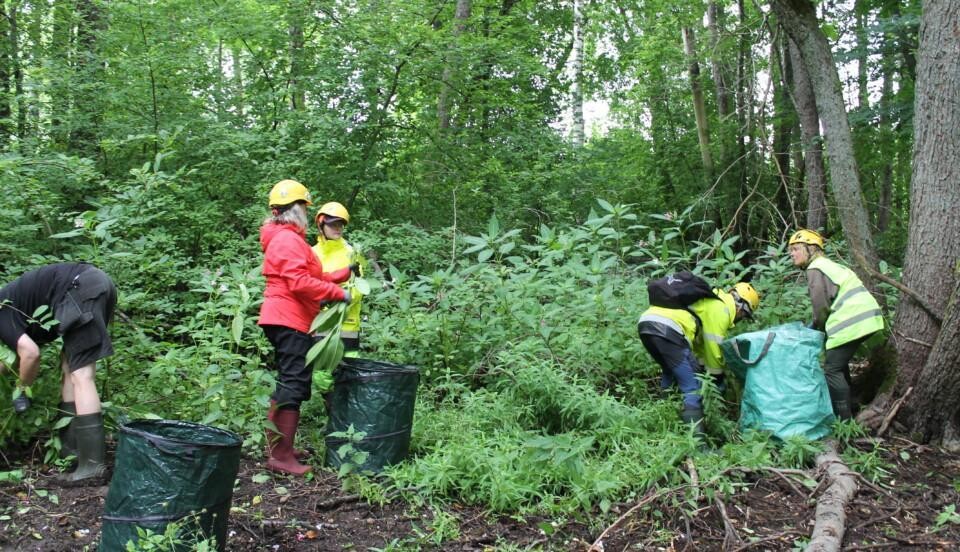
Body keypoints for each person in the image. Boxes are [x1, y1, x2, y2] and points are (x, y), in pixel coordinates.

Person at [258, 179, 353, 476]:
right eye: (303, 207)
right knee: (293, 384)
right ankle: (281, 457)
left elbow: (311, 274)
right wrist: (340, 294)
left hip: (290, 318)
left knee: (289, 382)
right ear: (293, 209)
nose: (306, 213)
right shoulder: (287, 240)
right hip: (288, 319)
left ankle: (279, 449)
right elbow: (299, 283)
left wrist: (343, 275)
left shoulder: (288, 239)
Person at [0, 262, 116, 486]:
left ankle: (92, 467)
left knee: (82, 375)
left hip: (80, 289)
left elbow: (30, 354)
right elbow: (10, 360)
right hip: (95, 284)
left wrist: (21, 389)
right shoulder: (10, 305)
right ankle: (71, 455)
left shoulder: (2, 312)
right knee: (69, 366)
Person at [637, 281, 760, 439]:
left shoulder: (711, 300)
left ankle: (663, 424)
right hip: (669, 329)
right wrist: (717, 380)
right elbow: (714, 353)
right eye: (744, 315)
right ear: (740, 306)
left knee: (670, 372)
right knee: (692, 388)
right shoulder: (721, 310)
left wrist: (699, 369)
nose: (741, 318)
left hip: (646, 323)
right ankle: (699, 445)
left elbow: (699, 348)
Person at [788, 229, 884, 420]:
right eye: (791, 250)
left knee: (832, 369)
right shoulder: (829, 265)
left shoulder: (815, 268)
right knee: (839, 366)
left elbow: (821, 307)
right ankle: (852, 405)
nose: (792, 253)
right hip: (866, 318)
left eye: (796, 249)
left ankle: (844, 420)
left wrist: (814, 327)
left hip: (850, 321)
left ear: (812, 249)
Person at [313, 202, 363, 357]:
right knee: (321, 373)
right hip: (320, 322)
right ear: (321, 225)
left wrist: (335, 299)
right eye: (332, 224)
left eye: (340, 224)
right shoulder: (311, 253)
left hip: (347, 324)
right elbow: (307, 285)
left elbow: (358, 288)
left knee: (348, 373)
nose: (338, 228)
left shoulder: (351, 253)